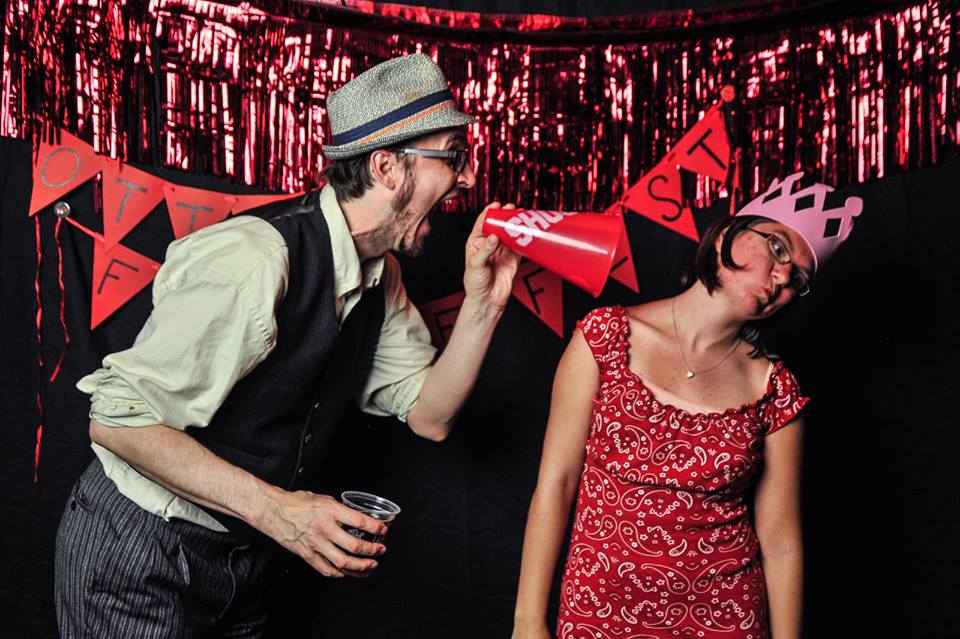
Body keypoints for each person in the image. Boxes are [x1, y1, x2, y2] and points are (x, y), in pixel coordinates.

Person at [55, 53, 519, 637]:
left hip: (241, 563)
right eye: (452, 155)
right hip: (139, 549)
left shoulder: (381, 276)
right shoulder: (257, 259)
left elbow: (431, 416)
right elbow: (116, 421)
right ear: (386, 167)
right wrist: (279, 513)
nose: (468, 177)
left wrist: (484, 304)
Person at [512, 173, 862, 639]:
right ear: (725, 237)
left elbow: (780, 543)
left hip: (726, 620)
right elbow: (556, 484)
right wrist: (527, 621)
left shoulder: (774, 389)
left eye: (797, 279)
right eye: (778, 249)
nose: (782, 277)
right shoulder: (604, 336)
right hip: (596, 614)